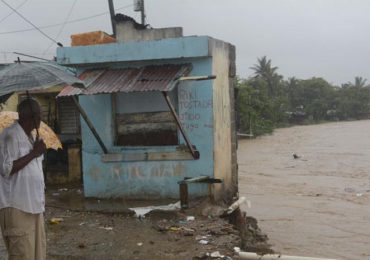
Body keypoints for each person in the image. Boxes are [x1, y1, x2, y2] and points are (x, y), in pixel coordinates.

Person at [0, 99, 47, 260]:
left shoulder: (31, 136)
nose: (41, 118)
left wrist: (37, 151)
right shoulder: (10, 135)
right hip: (17, 207)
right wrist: (34, 153)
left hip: (34, 206)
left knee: (37, 254)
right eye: (40, 115)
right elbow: (7, 169)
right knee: (22, 255)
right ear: (31, 116)